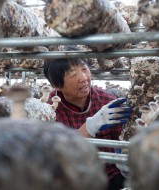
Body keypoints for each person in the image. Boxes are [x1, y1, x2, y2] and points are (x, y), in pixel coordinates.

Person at [44, 50, 131, 190]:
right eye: (73, 74)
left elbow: (124, 140)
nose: (83, 78)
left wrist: (126, 161)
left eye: (85, 69)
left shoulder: (107, 101)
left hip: (110, 176)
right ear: (57, 85)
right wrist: (91, 126)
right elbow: (56, 154)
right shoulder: (49, 111)